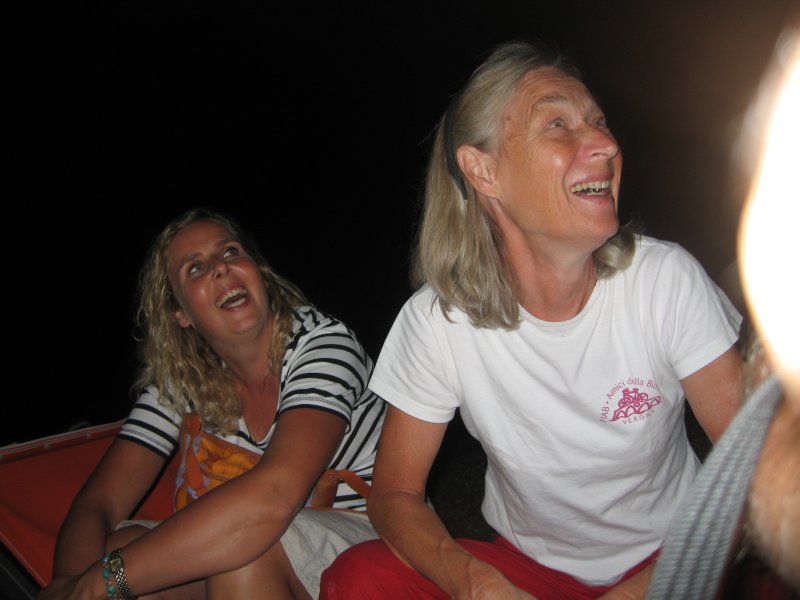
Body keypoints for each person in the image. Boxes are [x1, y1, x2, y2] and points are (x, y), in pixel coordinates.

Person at [320, 39, 744, 599]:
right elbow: (394, 495)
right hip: (532, 571)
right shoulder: (439, 322)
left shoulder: (663, 281)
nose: (606, 144)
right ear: (483, 171)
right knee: (360, 578)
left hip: (673, 557)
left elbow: (756, 469)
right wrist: (475, 582)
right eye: (557, 125)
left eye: (599, 122)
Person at [38, 208, 385, 600]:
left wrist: (95, 586)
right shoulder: (184, 379)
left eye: (231, 252)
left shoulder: (324, 344)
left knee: (239, 553)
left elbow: (274, 496)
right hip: (268, 543)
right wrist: (71, 583)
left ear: (259, 273)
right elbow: (99, 502)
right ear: (180, 313)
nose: (221, 267)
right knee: (117, 551)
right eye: (195, 268)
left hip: (376, 540)